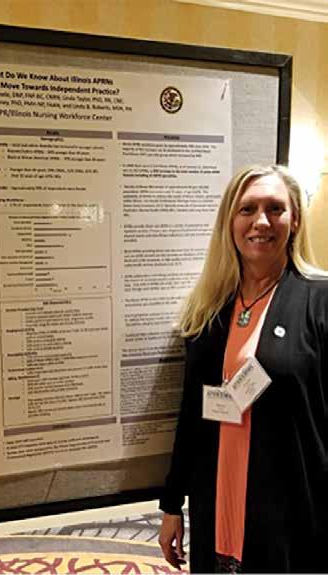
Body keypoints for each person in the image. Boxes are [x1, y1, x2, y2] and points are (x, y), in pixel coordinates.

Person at [158, 165, 328, 573]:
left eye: (275, 209)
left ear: (295, 220)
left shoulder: (320, 302)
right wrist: (172, 504)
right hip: (215, 496)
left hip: (291, 506)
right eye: (247, 209)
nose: (261, 222)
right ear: (230, 222)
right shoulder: (209, 308)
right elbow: (192, 415)